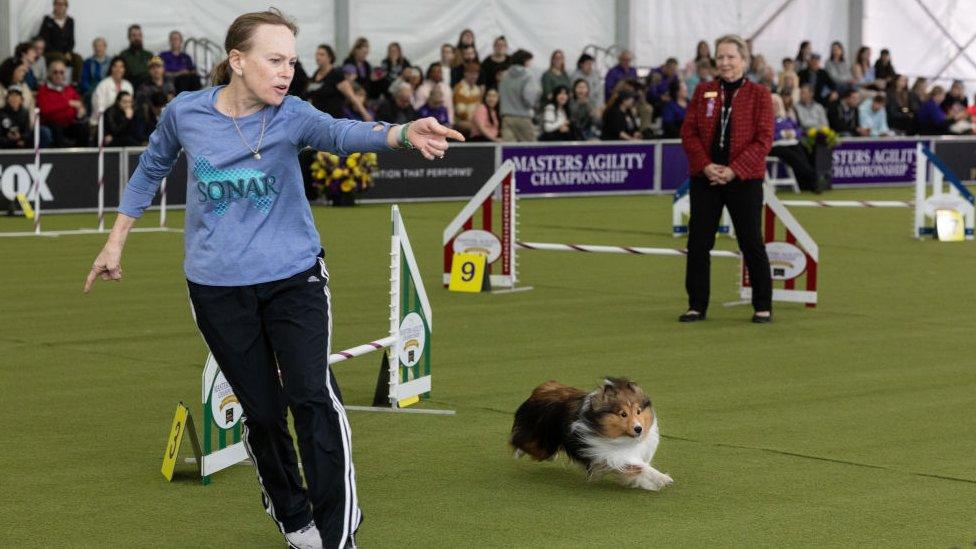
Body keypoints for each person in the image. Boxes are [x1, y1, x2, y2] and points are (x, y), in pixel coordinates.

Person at [82, 9, 462, 549]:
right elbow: (152, 167)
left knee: (312, 397)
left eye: (292, 61)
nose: (287, 72)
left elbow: (343, 132)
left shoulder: (292, 114)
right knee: (260, 412)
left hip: (295, 279)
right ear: (237, 61)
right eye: (275, 60)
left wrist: (402, 132)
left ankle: (337, 536)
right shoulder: (185, 113)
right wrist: (115, 239)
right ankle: (292, 515)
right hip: (216, 288)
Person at [679, 34, 773, 324]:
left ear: (743, 60)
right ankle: (696, 305)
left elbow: (764, 139)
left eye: (731, 57)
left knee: (751, 242)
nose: (725, 62)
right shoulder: (703, 91)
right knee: (698, 242)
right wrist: (706, 166)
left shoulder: (760, 95)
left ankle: (762, 305)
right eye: (720, 57)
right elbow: (689, 132)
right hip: (705, 178)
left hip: (744, 179)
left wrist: (734, 170)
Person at [769, 93, 817, 191]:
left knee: (802, 151)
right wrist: (781, 134)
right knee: (792, 156)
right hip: (774, 146)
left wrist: (793, 133)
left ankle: (807, 181)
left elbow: (799, 130)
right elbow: (766, 136)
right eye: (772, 104)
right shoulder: (765, 119)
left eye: (776, 104)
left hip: (790, 143)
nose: (774, 106)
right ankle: (812, 176)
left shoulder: (785, 118)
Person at [36, 58, 88, 146]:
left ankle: (83, 158)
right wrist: (67, 103)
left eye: (61, 72)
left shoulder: (70, 89)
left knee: (82, 128)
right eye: (55, 72)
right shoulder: (43, 90)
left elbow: (79, 105)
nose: (58, 75)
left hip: (69, 124)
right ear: (49, 73)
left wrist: (80, 112)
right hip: (51, 124)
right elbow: (45, 110)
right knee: (56, 129)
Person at [498, 49, 540, 142]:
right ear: (525, 61)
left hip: (506, 117)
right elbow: (529, 98)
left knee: (508, 152)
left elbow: (500, 94)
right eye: (530, 61)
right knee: (529, 151)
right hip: (523, 117)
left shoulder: (504, 75)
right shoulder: (529, 75)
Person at [38, 0, 82, 84]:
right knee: (60, 58)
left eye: (63, 4)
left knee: (78, 59)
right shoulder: (47, 20)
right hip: (50, 52)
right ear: (54, 6)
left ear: (66, 6)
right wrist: (61, 53)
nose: (60, 6)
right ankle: (59, 83)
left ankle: (75, 84)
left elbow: (71, 40)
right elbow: (44, 41)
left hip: (65, 52)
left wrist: (68, 52)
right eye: (57, 4)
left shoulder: (70, 21)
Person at [91, 56, 134, 126]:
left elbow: (130, 105)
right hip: (102, 123)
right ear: (111, 68)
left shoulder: (128, 86)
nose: (118, 69)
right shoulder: (103, 85)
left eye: (121, 67)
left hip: (122, 123)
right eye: (115, 66)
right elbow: (99, 108)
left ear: (125, 69)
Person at [452, 62, 483, 135]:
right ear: (465, 74)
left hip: (475, 121)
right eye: (471, 74)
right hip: (461, 121)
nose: (474, 76)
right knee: (478, 129)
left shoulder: (477, 89)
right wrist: (475, 121)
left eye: (476, 74)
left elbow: (479, 108)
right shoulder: (459, 88)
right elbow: (461, 112)